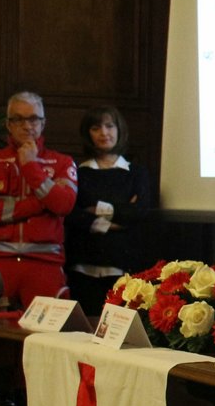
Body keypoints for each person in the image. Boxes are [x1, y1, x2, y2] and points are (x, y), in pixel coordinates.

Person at [0, 92, 78, 306]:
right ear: (8, 125)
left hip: (45, 265)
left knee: (47, 337)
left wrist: (30, 166)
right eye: (18, 119)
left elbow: (63, 205)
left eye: (33, 119)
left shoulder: (62, 162)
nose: (27, 126)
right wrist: (38, 205)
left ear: (43, 123)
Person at [65, 106, 154, 319]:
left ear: (119, 129)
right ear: (88, 133)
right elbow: (73, 214)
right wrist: (114, 219)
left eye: (109, 126)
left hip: (123, 268)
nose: (104, 133)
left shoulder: (136, 173)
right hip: (83, 268)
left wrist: (97, 210)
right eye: (96, 128)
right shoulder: (78, 172)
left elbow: (139, 212)